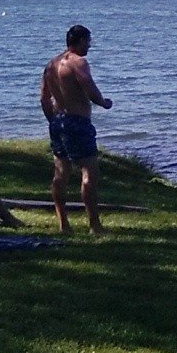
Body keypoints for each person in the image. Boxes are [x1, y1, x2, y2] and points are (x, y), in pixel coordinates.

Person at [40, 24, 113, 235]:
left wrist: (53, 121)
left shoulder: (51, 64)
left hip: (58, 121)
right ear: (80, 40)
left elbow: (44, 97)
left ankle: (64, 224)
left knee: (61, 172)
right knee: (90, 171)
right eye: (88, 41)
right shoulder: (78, 62)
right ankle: (94, 225)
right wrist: (104, 102)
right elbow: (89, 88)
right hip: (77, 122)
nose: (89, 46)